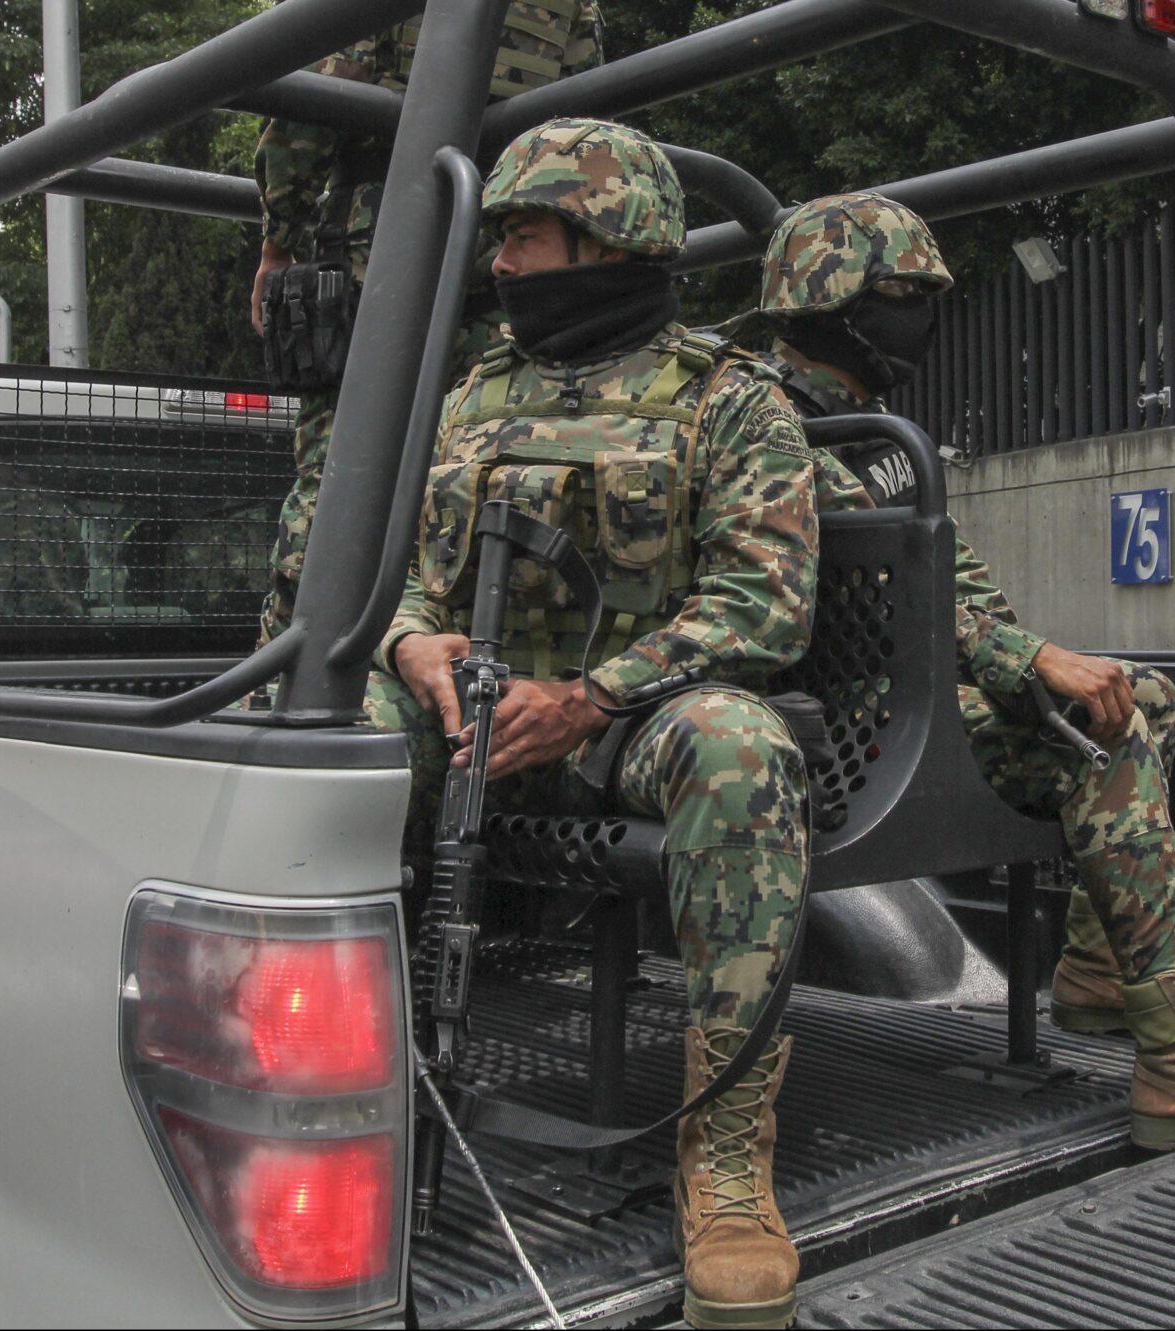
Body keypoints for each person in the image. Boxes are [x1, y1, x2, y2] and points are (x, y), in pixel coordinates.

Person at [732, 192, 1175, 1162]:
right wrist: (1022, 660)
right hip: (829, 728)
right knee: (1096, 742)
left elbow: (951, 585)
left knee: (1135, 695)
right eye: (903, 298)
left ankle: (1102, 970)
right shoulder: (768, 423)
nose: (923, 319)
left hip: (896, 704)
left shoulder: (865, 429)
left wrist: (1030, 658)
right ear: (832, 302)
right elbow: (865, 595)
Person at [372, 119, 818, 1331]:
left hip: (630, 727)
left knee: (743, 747)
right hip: (472, 721)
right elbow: (403, 577)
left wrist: (592, 697)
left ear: (606, 239)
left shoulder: (729, 399)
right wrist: (411, 645)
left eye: (524, 234)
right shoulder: (471, 398)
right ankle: (330, 1084)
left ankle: (726, 1164)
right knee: (325, 733)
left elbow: (762, 601)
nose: (502, 262)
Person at [250, 1, 606, 649]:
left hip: (384, 240)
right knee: (476, 455)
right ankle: (461, 645)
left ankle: (295, 662)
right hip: (504, 244)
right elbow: (584, 123)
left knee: (344, 465)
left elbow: (316, 105)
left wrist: (279, 241)